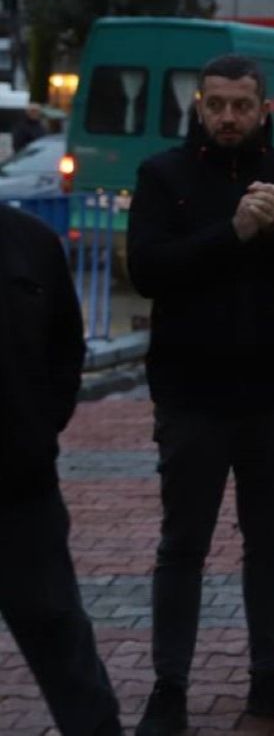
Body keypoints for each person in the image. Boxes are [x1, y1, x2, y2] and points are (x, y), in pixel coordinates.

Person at [128, 54, 274, 736]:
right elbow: (149, 271)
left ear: (263, 110)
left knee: (268, 539)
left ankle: (269, 674)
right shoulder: (164, 175)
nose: (228, 117)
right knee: (182, 542)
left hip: (273, 391)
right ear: (199, 106)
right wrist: (234, 233)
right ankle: (169, 685)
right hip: (191, 392)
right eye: (216, 104)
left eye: (240, 106)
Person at [0, 205, 122, 736]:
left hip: (21, 487)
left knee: (60, 637)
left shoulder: (30, 240)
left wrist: (37, 428)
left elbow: (65, 350)